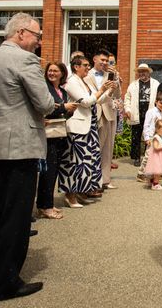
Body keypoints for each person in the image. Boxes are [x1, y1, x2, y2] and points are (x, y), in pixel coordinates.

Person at [0, 13, 54, 301]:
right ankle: (6, 282)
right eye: (37, 35)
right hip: (18, 149)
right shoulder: (25, 60)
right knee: (14, 219)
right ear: (20, 33)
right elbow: (44, 103)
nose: (39, 41)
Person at [59, 55, 115, 208]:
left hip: (88, 126)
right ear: (76, 67)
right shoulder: (71, 82)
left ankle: (79, 192)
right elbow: (85, 102)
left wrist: (109, 91)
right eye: (85, 65)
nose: (88, 68)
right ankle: (69, 196)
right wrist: (102, 89)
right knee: (73, 163)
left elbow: (96, 100)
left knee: (85, 162)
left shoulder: (83, 81)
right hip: (76, 127)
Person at [37, 62, 76, 219]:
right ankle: (44, 206)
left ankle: (47, 204)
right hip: (48, 136)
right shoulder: (44, 88)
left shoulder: (62, 91)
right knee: (48, 172)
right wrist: (63, 108)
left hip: (60, 134)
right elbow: (46, 108)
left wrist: (70, 110)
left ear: (62, 73)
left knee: (53, 171)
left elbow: (64, 113)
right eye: (49, 70)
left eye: (55, 71)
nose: (51, 73)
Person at [84, 48, 121, 190]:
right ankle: (92, 180)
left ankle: (105, 180)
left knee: (107, 149)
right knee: (95, 148)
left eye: (107, 61)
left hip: (108, 113)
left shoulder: (110, 74)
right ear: (94, 59)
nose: (105, 63)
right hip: (93, 113)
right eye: (103, 60)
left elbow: (117, 94)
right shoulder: (86, 74)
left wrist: (116, 78)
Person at [137, 90, 162, 182]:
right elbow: (146, 125)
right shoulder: (151, 112)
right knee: (148, 156)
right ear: (156, 101)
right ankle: (141, 173)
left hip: (161, 138)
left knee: (157, 157)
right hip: (152, 137)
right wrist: (147, 137)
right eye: (160, 103)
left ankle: (154, 175)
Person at [124, 63, 159, 166]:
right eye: (140, 71)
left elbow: (159, 98)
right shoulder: (133, 84)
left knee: (150, 135)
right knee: (136, 136)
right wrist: (128, 109)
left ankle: (149, 157)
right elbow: (127, 98)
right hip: (136, 112)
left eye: (144, 71)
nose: (141, 73)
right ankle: (136, 158)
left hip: (150, 113)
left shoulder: (156, 84)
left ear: (148, 72)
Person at [144, 119, 162, 190]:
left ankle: (152, 181)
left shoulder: (161, 137)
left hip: (160, 156)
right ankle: (155, 184)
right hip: (156, 157)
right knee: (157, 171)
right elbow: (156, 147)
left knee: (158, 171)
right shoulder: (156, 137)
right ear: (157, 129)